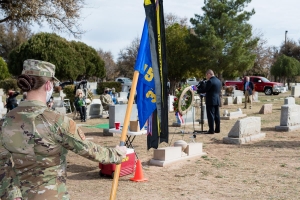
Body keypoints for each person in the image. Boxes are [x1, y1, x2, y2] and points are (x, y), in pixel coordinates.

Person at [0, 59, 126, 200]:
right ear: (48, 85)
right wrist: (117, 154)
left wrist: (11, 193)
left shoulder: (5, 122)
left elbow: (2, 163)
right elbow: (89, 150)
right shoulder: (57, 121)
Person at [197, 69, 221, 134]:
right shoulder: (218, 81)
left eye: (206, 75)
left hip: (211, 100)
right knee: (217, 115)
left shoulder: (210, 81)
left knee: (210, 115)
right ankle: (217, 129)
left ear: (209, 74)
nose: (206, 77)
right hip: (217, 100)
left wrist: (197, 90)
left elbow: (205, 89)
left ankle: (211, 130)